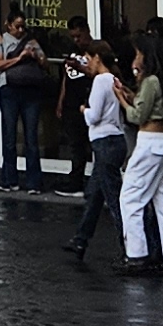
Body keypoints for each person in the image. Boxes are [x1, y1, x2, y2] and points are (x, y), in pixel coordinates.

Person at [118, 41, 163, 271]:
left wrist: (121, 99)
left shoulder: (150, 81)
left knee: (130, 198)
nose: (134, 60)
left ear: (146, 57)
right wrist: (131, 94)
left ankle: (136, 256)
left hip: (149, 143)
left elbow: (138, 116)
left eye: (138, 54)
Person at [63, 45, 128, 264]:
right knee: (94, 194)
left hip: (104, 142)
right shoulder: (112, 79)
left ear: (97, 57)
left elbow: (94, 116)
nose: (87, 63)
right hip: (115, 141)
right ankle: (80, 239)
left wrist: (83, 109)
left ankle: (129, 244)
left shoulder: (101, 81)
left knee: (113, 198)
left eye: (89, 58)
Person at [0, 16, 54, 194]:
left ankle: (34, 182)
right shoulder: (1, 40)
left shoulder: (31, 41)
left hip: (30, 91)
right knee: (9, 135)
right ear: (9, 25)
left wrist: (36, 56)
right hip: (9, 90)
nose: (20, 30)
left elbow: (46, 63)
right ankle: (9, 180)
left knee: (31, 136)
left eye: (22, 27)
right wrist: (19, 58)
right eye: (17, 27)